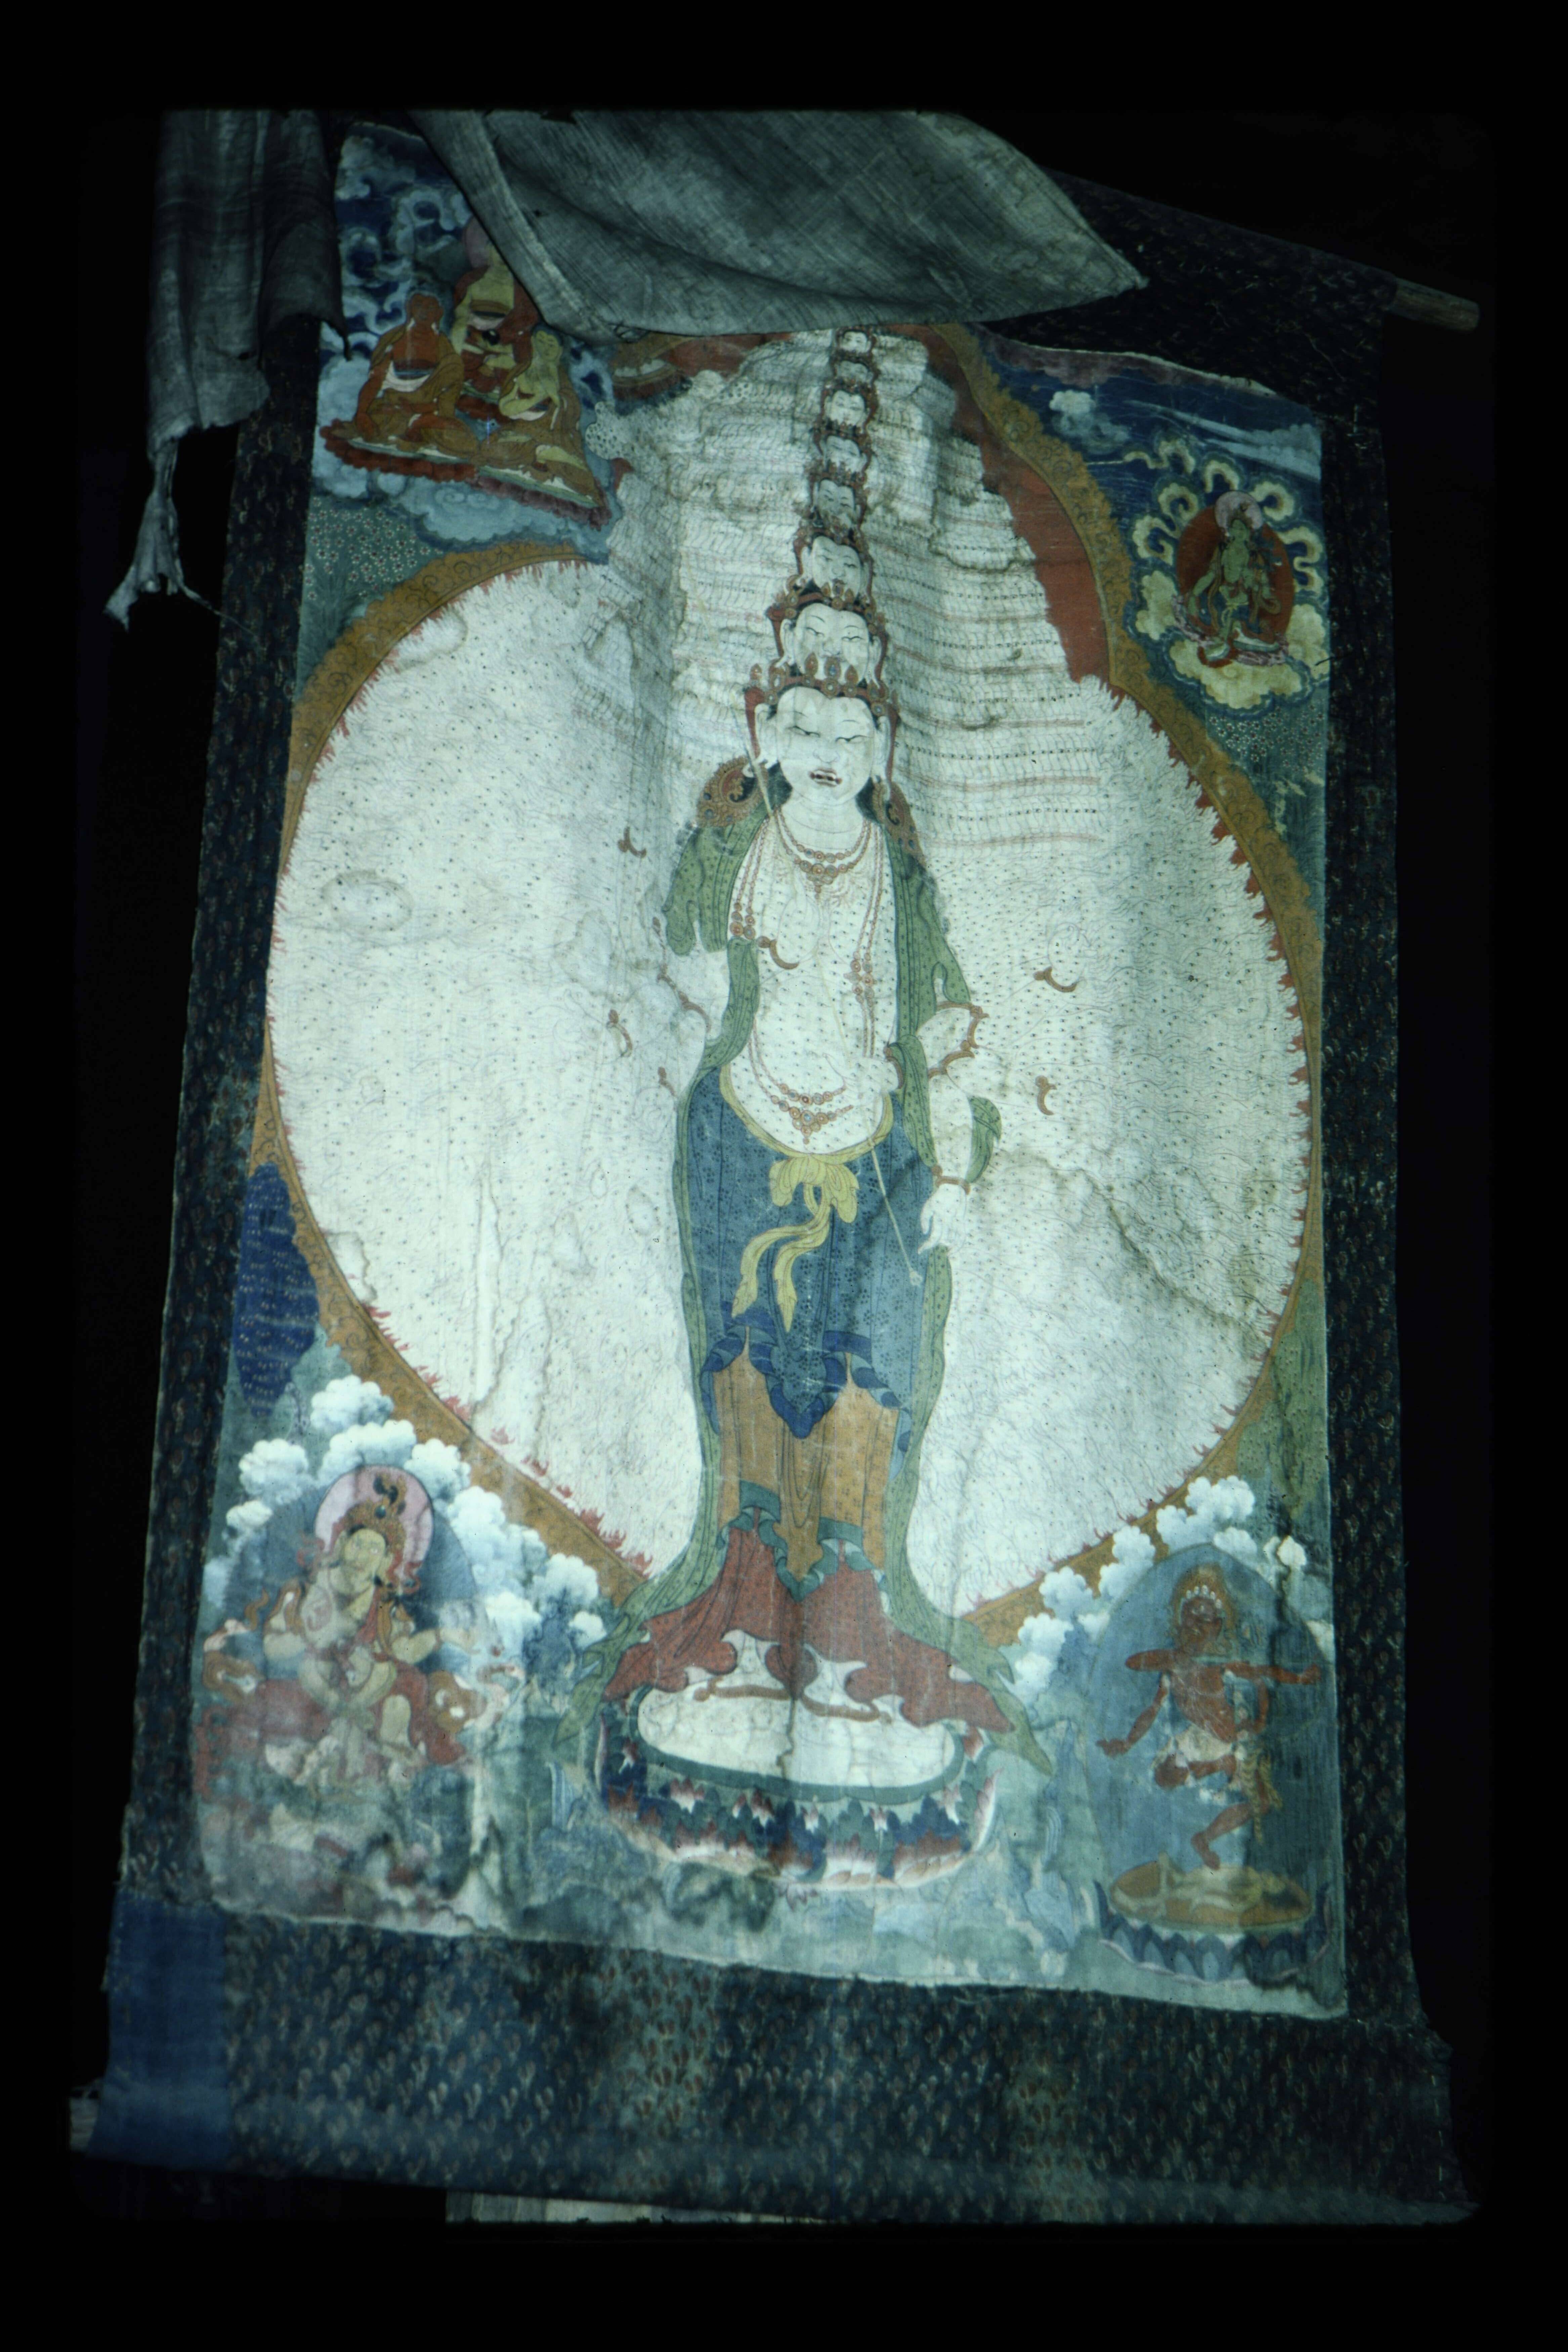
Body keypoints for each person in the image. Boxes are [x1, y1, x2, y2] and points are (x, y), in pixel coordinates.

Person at [561, 668, 1047, 1786]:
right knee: (744, 1356)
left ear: (883, 745)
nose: (826, 746)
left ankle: (856, 1601)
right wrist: (706, 834)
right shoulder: (737, 847)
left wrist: (956, 1159)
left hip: (876, 1144)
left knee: (874, 1368)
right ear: (764, 732)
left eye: (851, 728)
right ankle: (736, 1595)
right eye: (801, 723)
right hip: (742, 1125)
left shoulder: (899, 877)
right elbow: (674, 946)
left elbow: (950, 1022)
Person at [1097, 1562, 1320, 1870]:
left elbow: (1264, 1676)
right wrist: (1127, 1743)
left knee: (1262, 1802)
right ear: (1179, 1621)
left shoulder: (1223, 1666)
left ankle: (1204, 1838)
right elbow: (1138, 1676)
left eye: (1206, 1618)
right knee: (1165, 1776)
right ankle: (1211, 1769)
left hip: (1232, 1743)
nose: (1198, 1624)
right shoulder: (1173, 1668)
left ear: (1217, 1627)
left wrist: (1287, 1692)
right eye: (1191, 1615)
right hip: (1197, 1742)